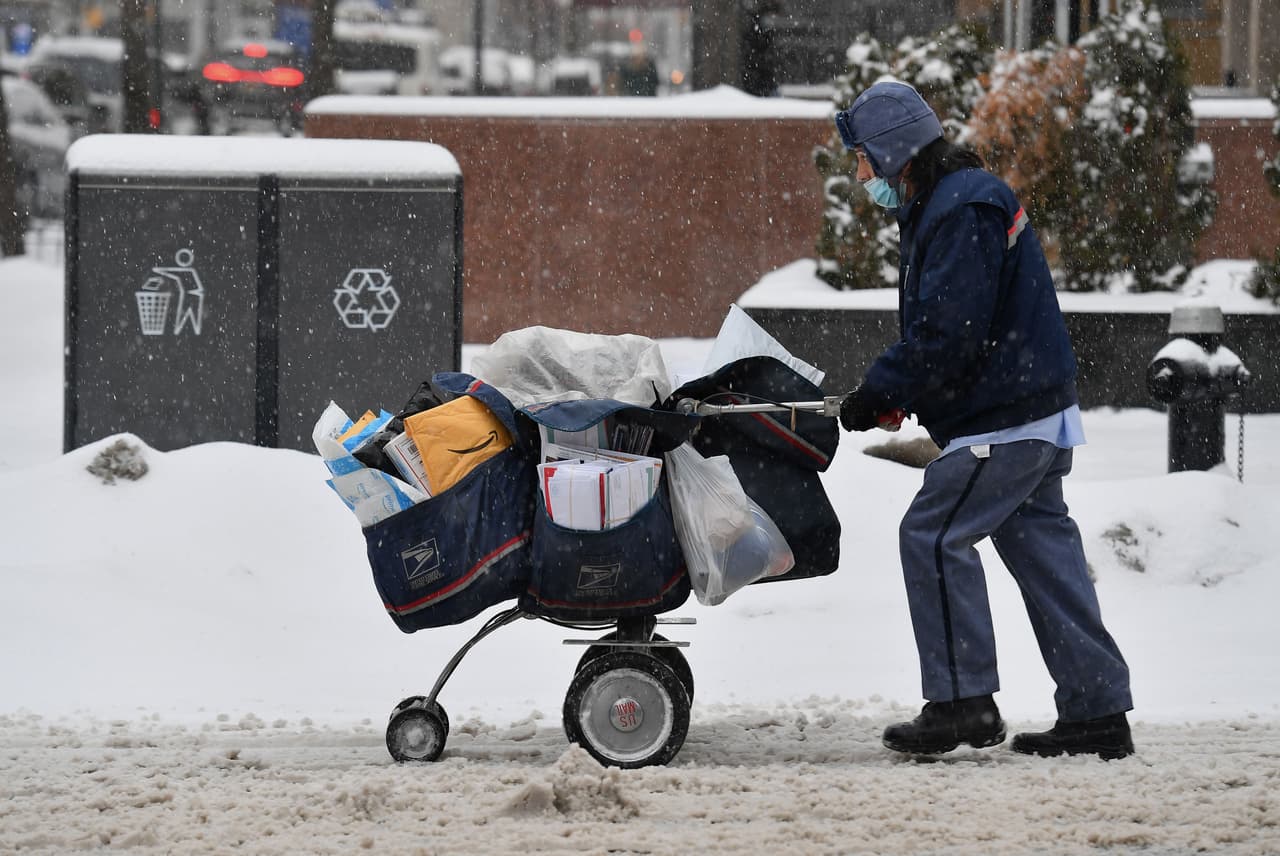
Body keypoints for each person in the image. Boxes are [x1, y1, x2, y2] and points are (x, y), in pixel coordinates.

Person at [833, 81, 1135, 760]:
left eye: (861, 158)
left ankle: (963, 701)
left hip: (1004, 423)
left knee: (933, 534)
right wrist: (903, 395)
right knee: (1045, 557)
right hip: (1031, 414)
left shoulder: (961, 206)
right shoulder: (952, 199)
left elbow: (951, 334)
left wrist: (879, 386)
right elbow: (959, 333)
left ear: (894, 152)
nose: (858, 175)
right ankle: (1097, 710)